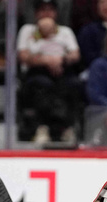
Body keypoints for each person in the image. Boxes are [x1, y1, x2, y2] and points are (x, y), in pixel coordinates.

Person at [17, 0, 82, 144]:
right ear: (36, 14)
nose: (46, 13)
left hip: (62, 69)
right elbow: (22, 56)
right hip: (36, 71)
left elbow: (75, 54)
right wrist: (45, 60)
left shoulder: (65, 31)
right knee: (42, 85)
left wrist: (60, 60)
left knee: (73, 84)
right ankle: (42, 127)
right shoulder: (28, 30)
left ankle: (67, 128)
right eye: (42, 10)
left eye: (50, 10)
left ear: (56, 13)